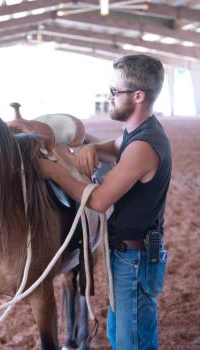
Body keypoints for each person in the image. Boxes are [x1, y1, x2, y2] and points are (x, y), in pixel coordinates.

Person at [38, 54, 171, 350]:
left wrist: (53, 170)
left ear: (138, 96)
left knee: (131, 342)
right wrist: (94, 147)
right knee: (121, 335)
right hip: (130, 255)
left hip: (133, 260)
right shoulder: (140, 133)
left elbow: (98, 201)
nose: (109, 97)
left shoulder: (143, 146)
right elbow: (115, 146)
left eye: (115, 92)